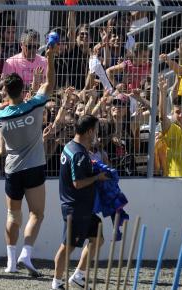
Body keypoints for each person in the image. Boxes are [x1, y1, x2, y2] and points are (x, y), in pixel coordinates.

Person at [0, 44, 56, 276]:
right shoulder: (35, 104)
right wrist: (49, 58)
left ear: (5, 92)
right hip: (35, 167)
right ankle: (26, 254)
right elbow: (50, 85)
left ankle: (10, 262)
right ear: (24, 89)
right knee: (36, 214)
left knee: (13, 216)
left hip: (12, 169)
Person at [51, 114, 109, 290]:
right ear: (90, 131)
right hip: (75, 208)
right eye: (96, 131)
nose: (96, 135)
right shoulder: (78, 154)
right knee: (67, 246)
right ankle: (56, 283)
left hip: (85, 207)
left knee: (97, 238)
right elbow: (78, 183)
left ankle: (78, 276)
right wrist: (98, 177)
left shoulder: (72, 147)